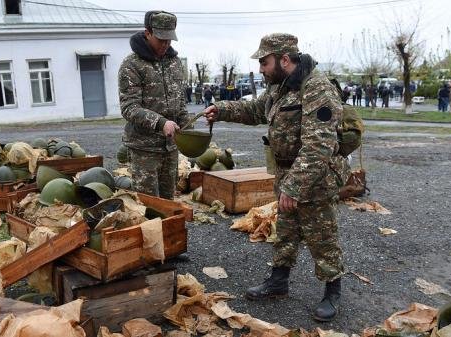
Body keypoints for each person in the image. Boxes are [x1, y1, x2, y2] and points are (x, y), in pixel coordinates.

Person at [204, 33, 347, 322]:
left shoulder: (317, 88)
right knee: (286, 230)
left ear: (284, 59)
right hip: (285, 172)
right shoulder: (280, 87)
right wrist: (221, 110)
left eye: (264, 62)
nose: (261, 69)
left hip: (315, 177)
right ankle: (278, 280)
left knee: (322, 235)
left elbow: (319, 145)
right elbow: (255, 109)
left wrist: (293, 187)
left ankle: (333, 291)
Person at [118, 10, 190, 200]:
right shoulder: (131, 65)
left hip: (170, 148)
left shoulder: (174, 63)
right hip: (144, 150)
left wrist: (188, 127)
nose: (166, 44)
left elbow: (180, 101)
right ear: (148, 33)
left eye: (169, 39)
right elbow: (129, 107)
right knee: (148, 205)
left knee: (168, 203)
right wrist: (161, 122)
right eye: (161, 39)